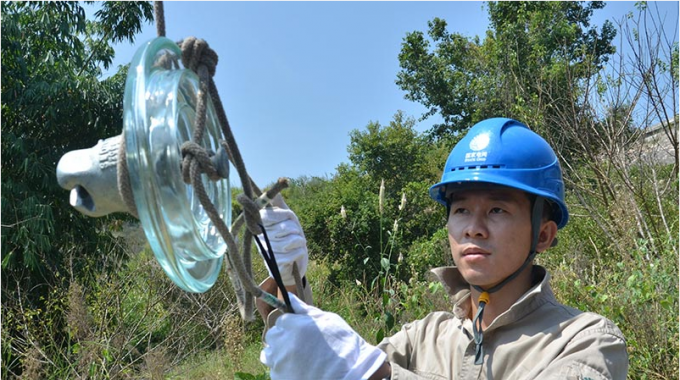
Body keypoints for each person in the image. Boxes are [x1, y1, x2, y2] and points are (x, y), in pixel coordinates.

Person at [255, 118, 628, 379]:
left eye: (497, 210)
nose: (474, 229)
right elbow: (327, 364)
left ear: (543, 236)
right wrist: (286, 281)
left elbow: (363, 369)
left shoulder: (585, 340)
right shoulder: (423, 336)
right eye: (462, 209)